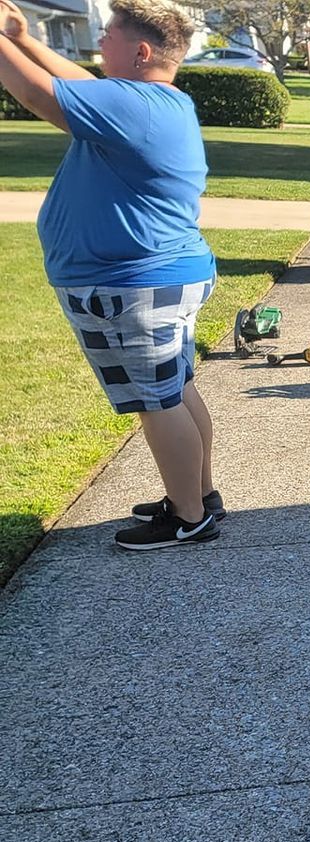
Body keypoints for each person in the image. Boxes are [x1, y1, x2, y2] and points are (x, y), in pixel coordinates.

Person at [0, 0, 223, 550]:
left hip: (131, 285)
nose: (99, 44)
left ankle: (188, 517)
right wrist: (23, 40)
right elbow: (80, 85)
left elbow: (38, 95)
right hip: (160, 276)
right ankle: (198, 495)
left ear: (141, 51)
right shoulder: (157, 100)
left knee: (156, 401)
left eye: (108, 35)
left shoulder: (133, 105)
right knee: (175, 389)